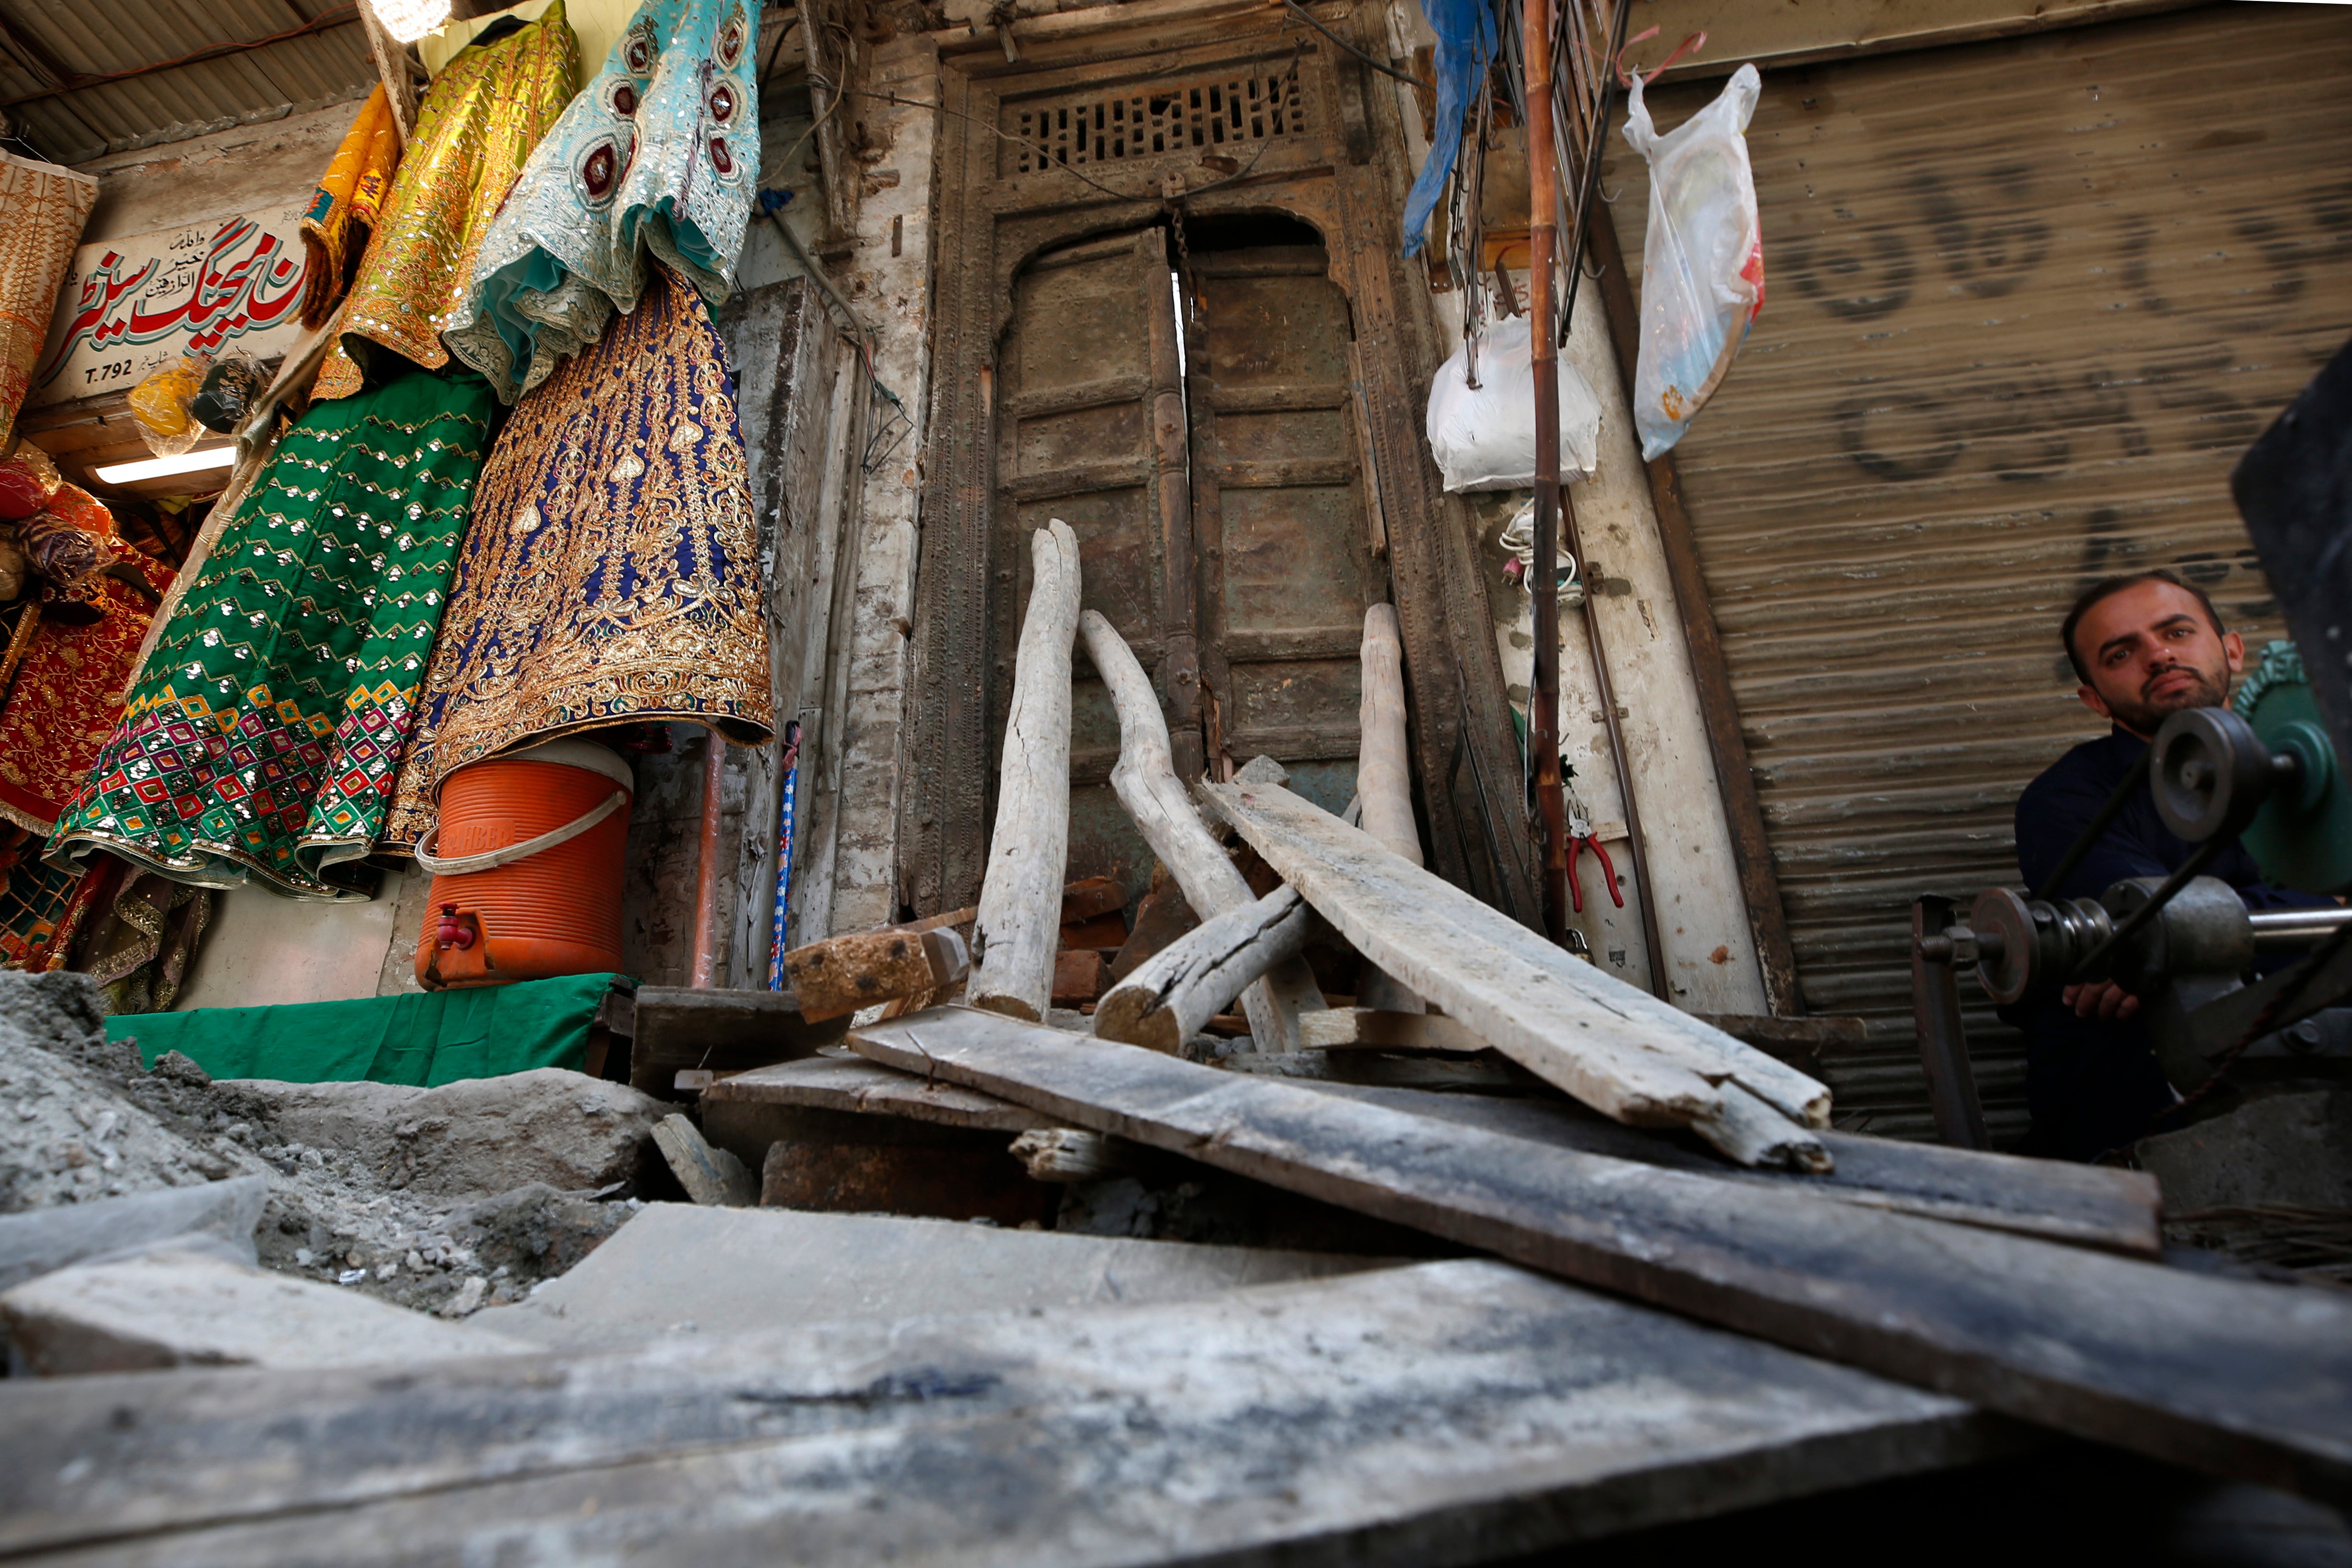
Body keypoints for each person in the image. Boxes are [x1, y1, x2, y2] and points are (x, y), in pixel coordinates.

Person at [2009, 571, 2332, 1161]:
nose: (2158, 656)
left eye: (2176, 631)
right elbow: (2159, 927)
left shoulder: (2321, 764)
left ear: (2232, 648)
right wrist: (2333, 909)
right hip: (2151, 1116)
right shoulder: (2066, 799)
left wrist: (2187, 943)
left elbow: (2184, 936)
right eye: (2120, 653)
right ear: (2094, 698)